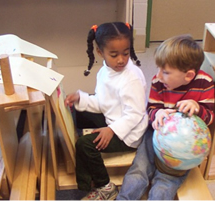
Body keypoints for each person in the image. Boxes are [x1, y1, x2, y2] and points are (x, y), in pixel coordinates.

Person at [116, 34, 215, 200]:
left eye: (165, 72)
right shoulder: (158, 82)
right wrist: (158, 113)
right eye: (158, 69)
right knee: (138, 171)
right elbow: (151, 109)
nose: (158, 76)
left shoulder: (205, 82)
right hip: (155, 134)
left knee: (165, 183)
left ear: (188, 76)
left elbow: (210, 117)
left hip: (182, 149)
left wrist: (197, 108)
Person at [64, 22, 148, 200]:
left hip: (129, 134)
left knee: (84, 144)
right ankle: (88, 159)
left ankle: (105, 186)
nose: (121, 60)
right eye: (114, 54)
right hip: (114, 118)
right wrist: (81, 98)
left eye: (126, 53)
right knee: (78, 110)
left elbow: (135, 114)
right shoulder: (104, 71)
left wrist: (111, 130)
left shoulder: (131, 78)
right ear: (100, 52)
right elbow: (103, 102)